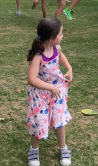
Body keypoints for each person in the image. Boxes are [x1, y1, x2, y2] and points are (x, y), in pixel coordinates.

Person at [26, 18, 73, 166]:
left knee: (59, 119)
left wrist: (69, 68)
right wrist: (49, 88)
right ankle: (34, 150)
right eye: (60, 34)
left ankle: (63, 147)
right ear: (51, 38)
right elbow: (32, 79)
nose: (62, 36)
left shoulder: (56, 48)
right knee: (39, 122)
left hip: (57, 90)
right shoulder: (37, 55)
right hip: (40, 94)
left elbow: (61, 56)